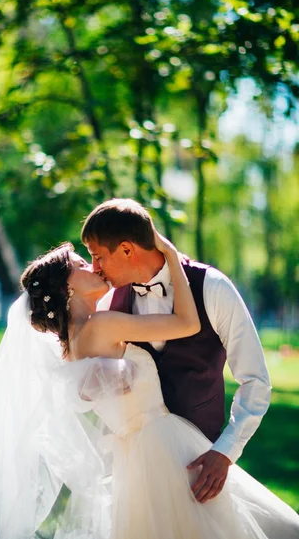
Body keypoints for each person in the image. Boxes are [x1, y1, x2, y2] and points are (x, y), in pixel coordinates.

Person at [0, 234, 299, 539]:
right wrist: (173, 257)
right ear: (68, 287)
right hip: (164, 447)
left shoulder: (72, 346)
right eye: (84, 263)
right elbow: (187, 324)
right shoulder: (104, 325)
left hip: (134, 461)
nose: (95, 267)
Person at [81, 198, 272, 504]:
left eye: (98, 256)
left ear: (128, 250)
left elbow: (256, 381)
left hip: (201, 470)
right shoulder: (109, 304)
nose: (95, 268)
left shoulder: (212, 288)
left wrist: (225, 451)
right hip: (139, 475)